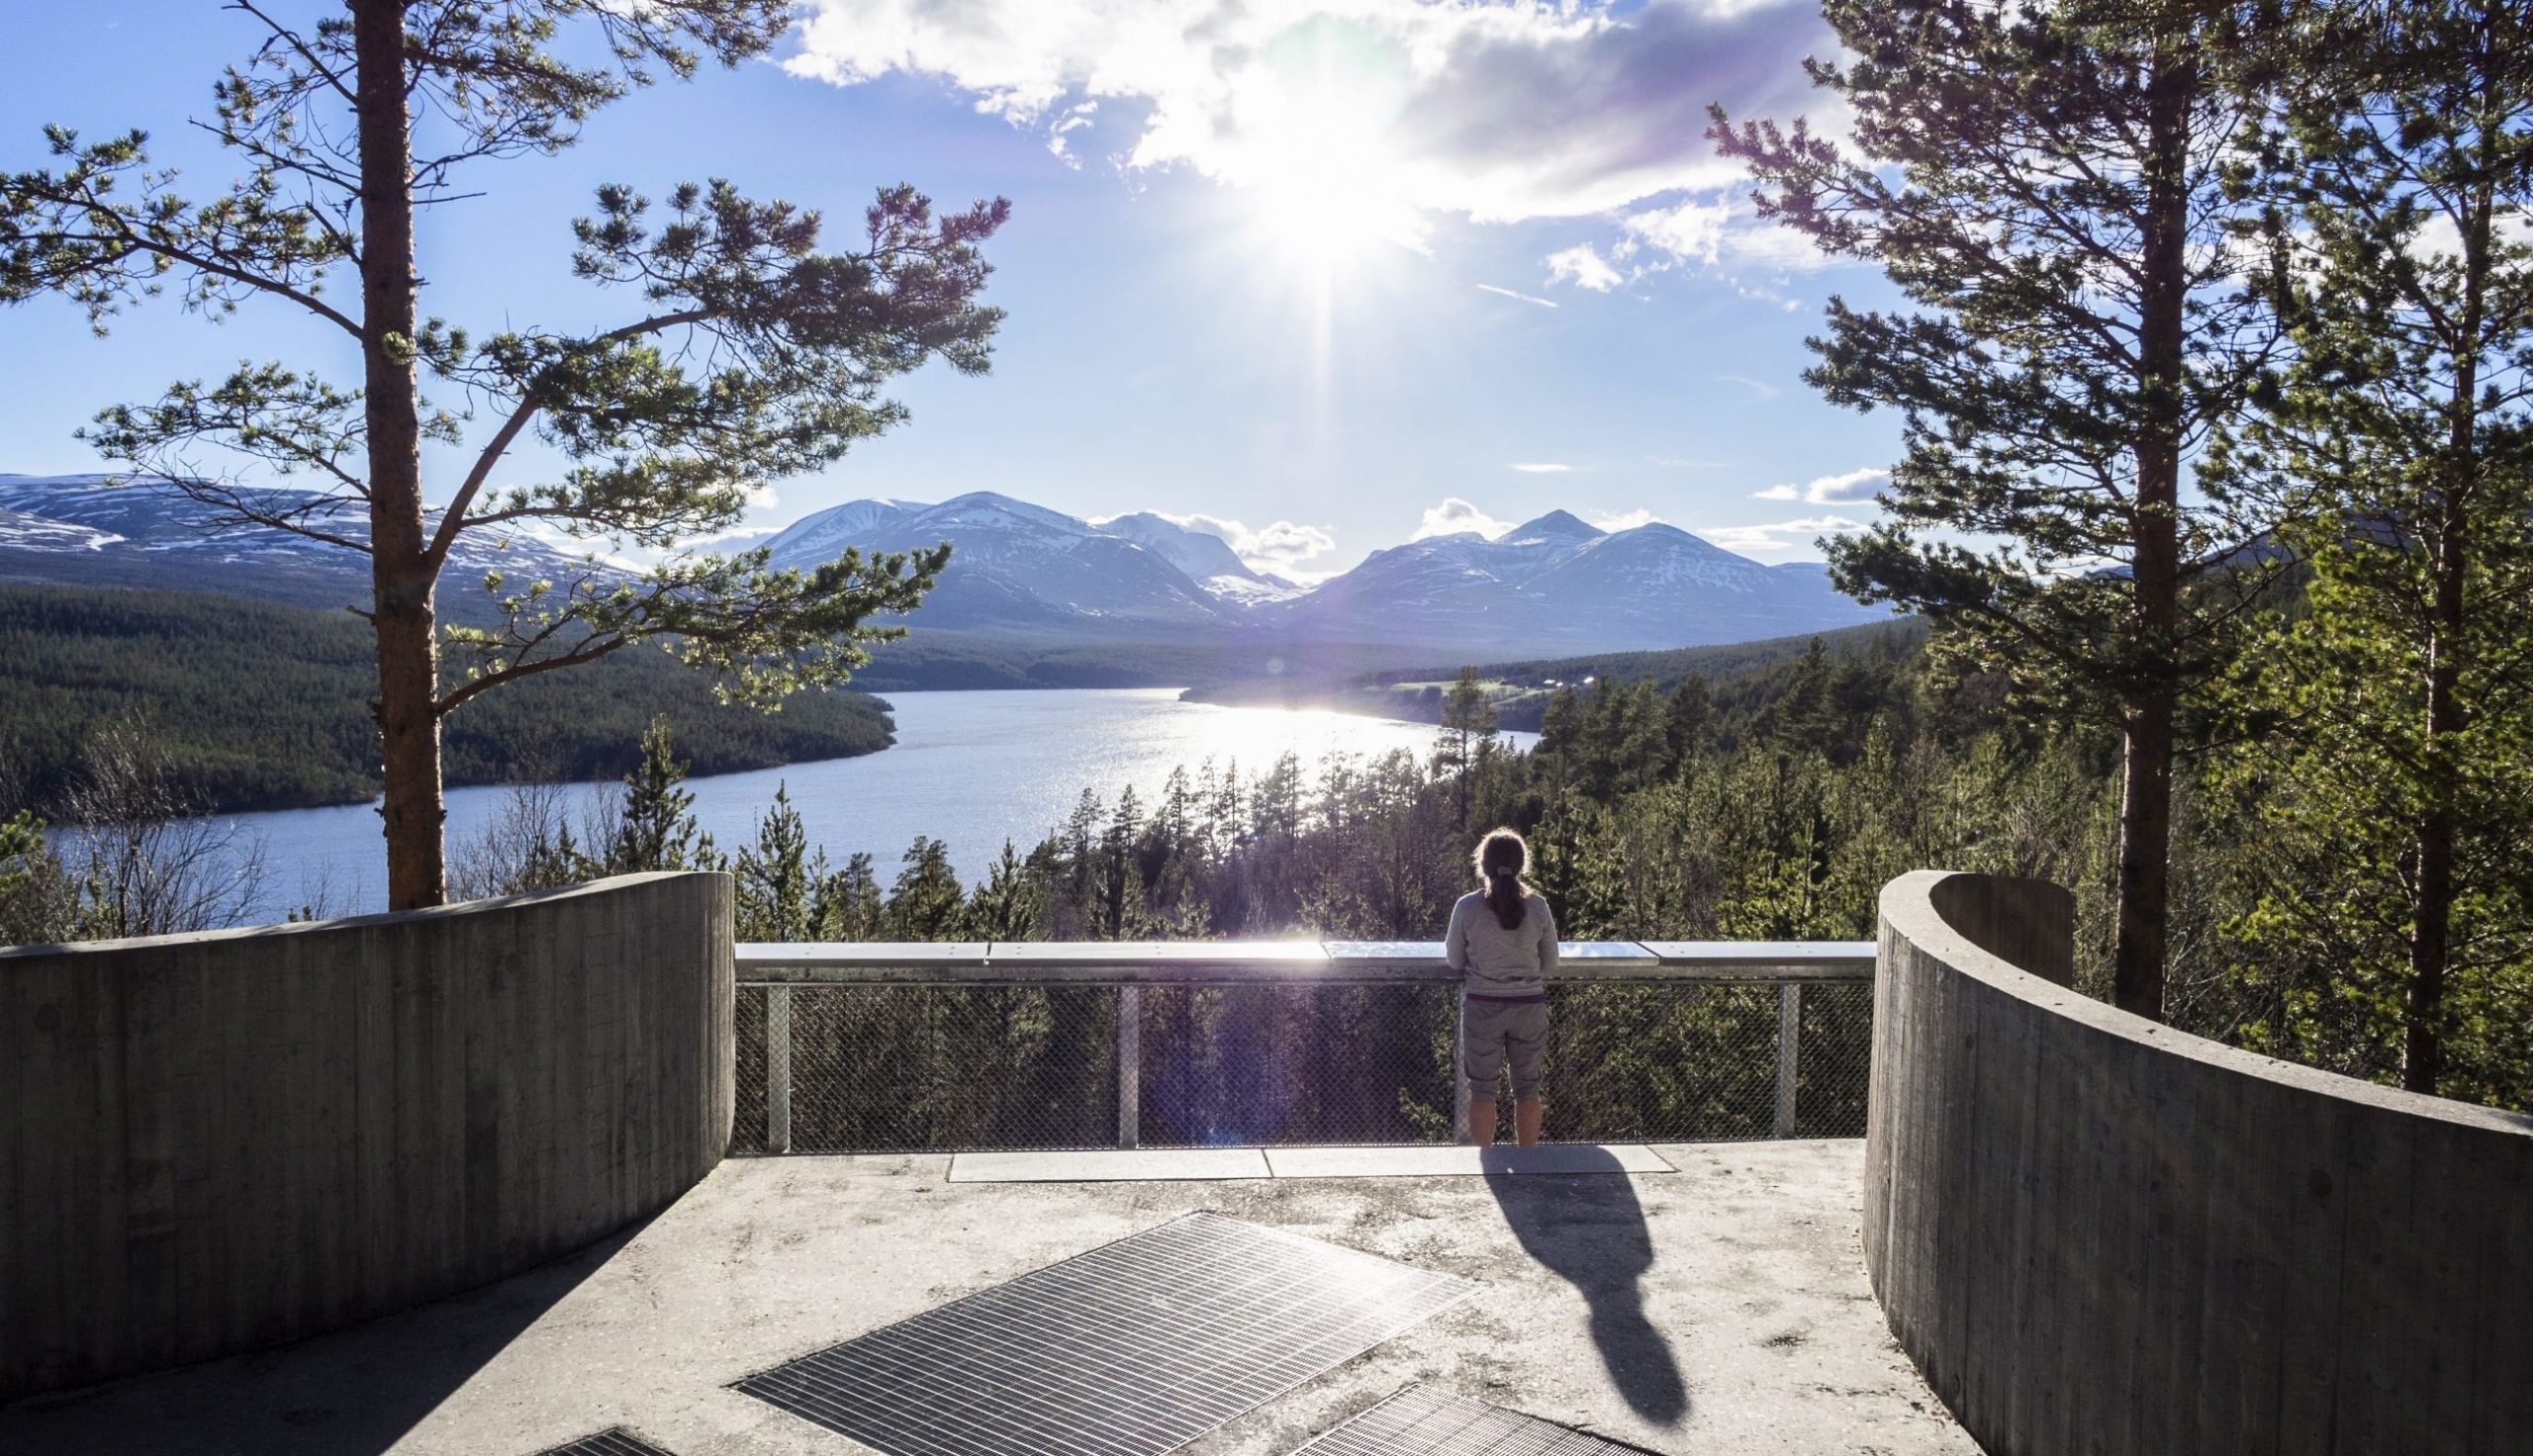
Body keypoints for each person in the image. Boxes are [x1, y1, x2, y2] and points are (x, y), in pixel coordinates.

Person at [1445, 828, 1556, 1147]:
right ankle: (1528, 1162)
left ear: (1483, 864)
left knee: (1482, 1089)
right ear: (1522, 864)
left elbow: (1454, 960)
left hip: (1483, 1006)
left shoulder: (1466, 907)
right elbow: (1550, 963)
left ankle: (1487, 1164)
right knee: (1527, 1088)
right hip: (1529, 1007)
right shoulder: (1538, 907)